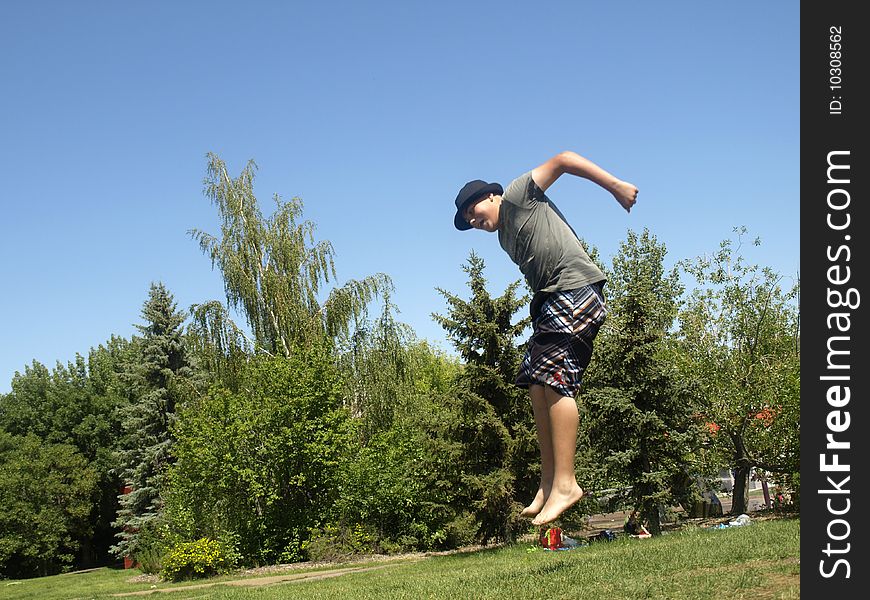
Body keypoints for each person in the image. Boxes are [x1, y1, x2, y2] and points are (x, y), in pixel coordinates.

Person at [452, 151, 638, 525]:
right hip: (553, 300)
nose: (473, 221)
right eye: (468, 222)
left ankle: (567, 483)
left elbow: (565, 159)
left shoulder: (520, 194)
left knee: (554, 379)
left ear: (491, 196)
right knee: (537, 384)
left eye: (473, 212)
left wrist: (616, 187)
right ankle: (551, 480)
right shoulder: (505, 237)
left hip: (576, 289)